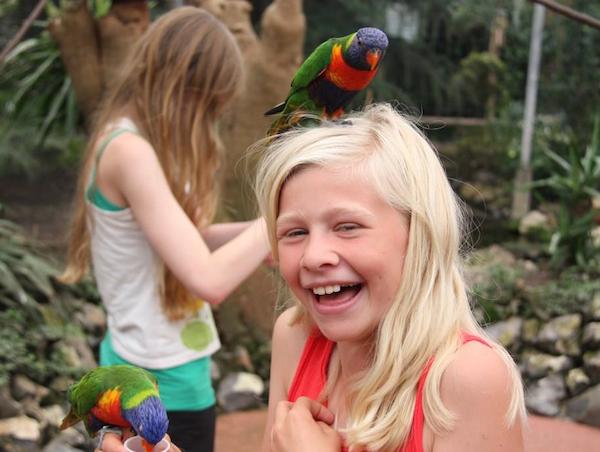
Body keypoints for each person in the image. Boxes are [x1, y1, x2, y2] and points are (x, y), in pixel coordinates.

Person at [254, 103, 526, 452]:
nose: (314, 256)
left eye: (347, 227)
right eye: (294, 232)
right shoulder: (294, 336)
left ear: (419, 235)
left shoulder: (467, 378)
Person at [60, 7, 270, 452]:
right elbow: (208, 279)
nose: (209, 120)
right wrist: (279, 220)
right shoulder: (130, 152)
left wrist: (252, 237)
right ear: (183, 88)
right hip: (158, 389)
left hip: (153, 369)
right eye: (209, 104)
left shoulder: (133, 140)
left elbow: (188, 242)